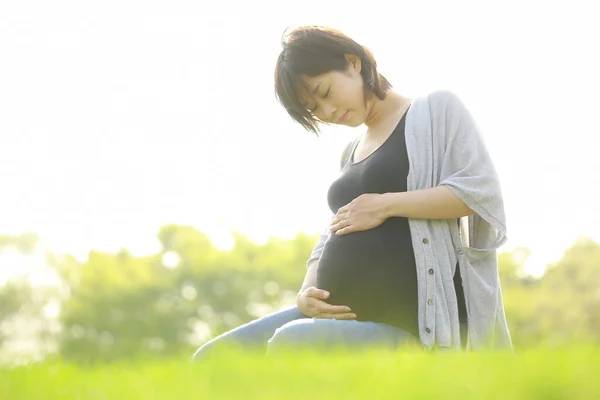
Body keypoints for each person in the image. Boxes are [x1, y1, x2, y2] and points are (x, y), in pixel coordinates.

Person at [191, 25, 512, 361]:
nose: (327, 112)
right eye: (314, 109)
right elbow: (333, 230)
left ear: (353, 63)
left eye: (326, 92)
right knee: (212, 359)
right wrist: (306, 291)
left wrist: (386, 205)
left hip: (410, 328)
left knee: (292, 343)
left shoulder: (435, 110)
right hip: (333, 319)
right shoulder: (351, 151)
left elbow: (480, 193)